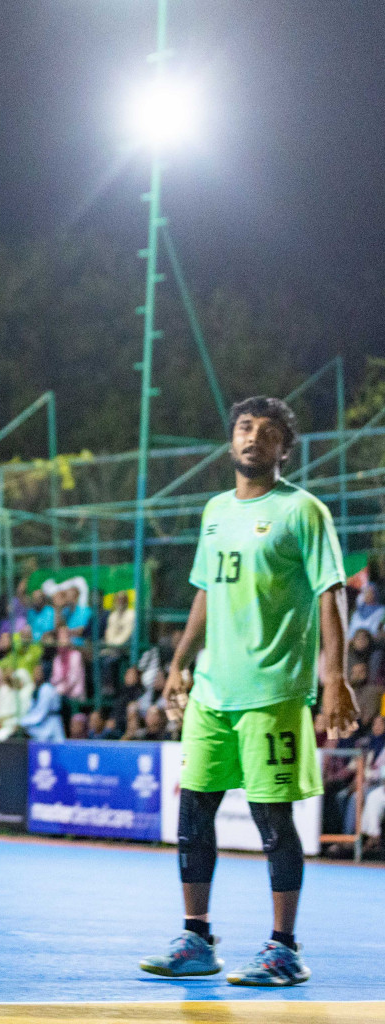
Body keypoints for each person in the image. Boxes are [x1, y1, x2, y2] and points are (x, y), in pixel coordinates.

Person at [140, 396, 354, 987]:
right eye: (244, 427)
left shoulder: (303, 511)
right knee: (194, 811)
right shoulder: (214, 511)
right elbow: (206, 591)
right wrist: (180, 662)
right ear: (231, 441)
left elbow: (330, 592)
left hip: (273, 692)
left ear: (285, 448)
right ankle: (196, 937)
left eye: (268, 430)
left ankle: (284, 948)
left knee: (271, 818)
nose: (253, 436)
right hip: (213, 691)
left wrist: (334, 679)